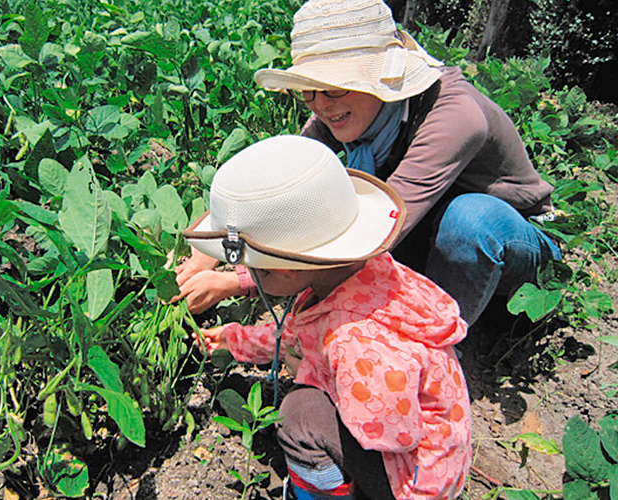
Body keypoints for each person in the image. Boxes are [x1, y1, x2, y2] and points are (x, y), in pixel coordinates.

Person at [173, 0, 560, 326]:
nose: (321, 103)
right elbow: (276, 186)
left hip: (513, 244)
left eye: (333, 86)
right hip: (424, 231)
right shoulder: (342, 106)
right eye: (307, 91)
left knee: (469, 219)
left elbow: (380, 236)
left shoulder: (454, 115)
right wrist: (211, 250)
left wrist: (238, 278)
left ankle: (437, 347)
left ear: (379, 78)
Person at [184, 135, 471, 500]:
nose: (253, 278)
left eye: (257, 271)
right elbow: (298, 333)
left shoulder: (356, 342)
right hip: (436, 448)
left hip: (415, 481)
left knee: (298, 415)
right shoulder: (361, 273)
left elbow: (391, 433)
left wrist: (314, 374)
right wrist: (234, 338)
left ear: (284, 272)